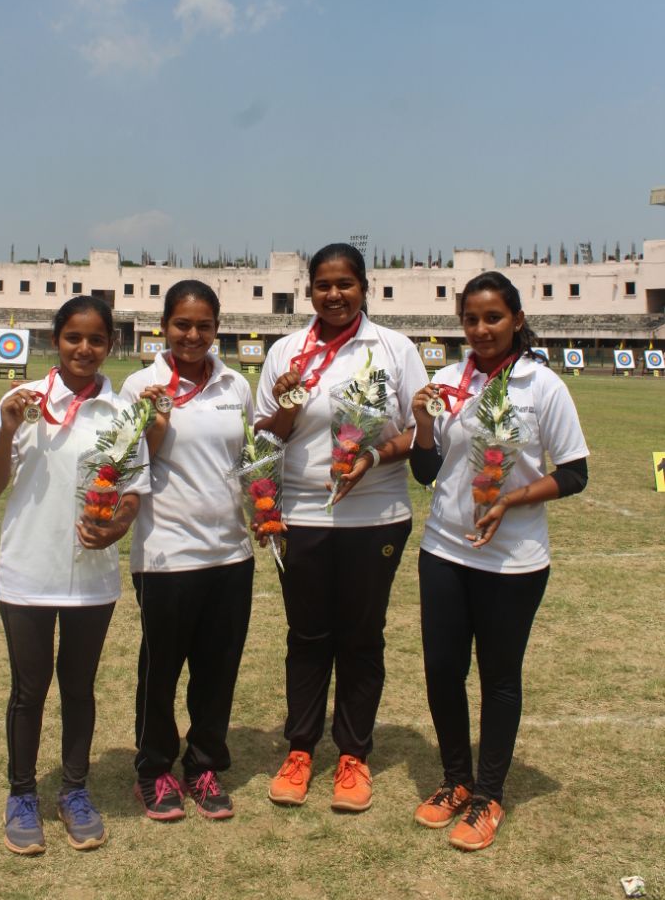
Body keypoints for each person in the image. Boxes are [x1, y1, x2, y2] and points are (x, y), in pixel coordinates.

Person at [410, 271, 588, 851]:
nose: (482, 329)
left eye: (493, 318)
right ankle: (456, 780)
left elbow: (574, 473)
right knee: (442, 670)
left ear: (515, 320)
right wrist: (423, 422)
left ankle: (489, 793)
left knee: (499, 678)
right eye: (471, 319)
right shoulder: (447, 379)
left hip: (514, 559)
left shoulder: (541, 385)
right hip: (443, 549)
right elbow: (426, 471)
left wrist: (511, 499)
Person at [255, 243, 428, 812]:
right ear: (309, 290)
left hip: (375, 516)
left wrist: (374, 459)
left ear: (364, 287)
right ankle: (301, 749)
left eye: (345, 284)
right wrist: (284, 405)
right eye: (323, 285)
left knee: (360, 636)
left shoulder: (393, 348)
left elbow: (417, 434)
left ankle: (353, 755)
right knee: (307, 637)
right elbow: (265, 439)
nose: (334, 294)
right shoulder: (285, 351)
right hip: (301, 516)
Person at [0, 297, 148, 855]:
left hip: (90, 577)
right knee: (30, 690)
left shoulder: (124, 411)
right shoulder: (20, 401)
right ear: (56, 340)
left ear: (110, 347)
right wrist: (6, 431)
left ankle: (74, 790)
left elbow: (133, 493)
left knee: (78, 687)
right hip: (28, 569)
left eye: (97, 340)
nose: (84, 349)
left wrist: (118, 527)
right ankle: (22, 794)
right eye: (73, 337)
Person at [119, 280, 255, 821]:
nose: (192, 336)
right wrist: (153, 426)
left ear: (217, 328)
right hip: (166, 554)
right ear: (164, 326)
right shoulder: (140, 386)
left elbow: (247, 461)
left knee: (218, 668)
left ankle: (203, 764)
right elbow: (126, 468)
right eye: (182, 325)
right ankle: (154, 769)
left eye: (203, 326)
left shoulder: (235, 385)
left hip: (230, 552)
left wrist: (267, 509)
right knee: (161, 669)